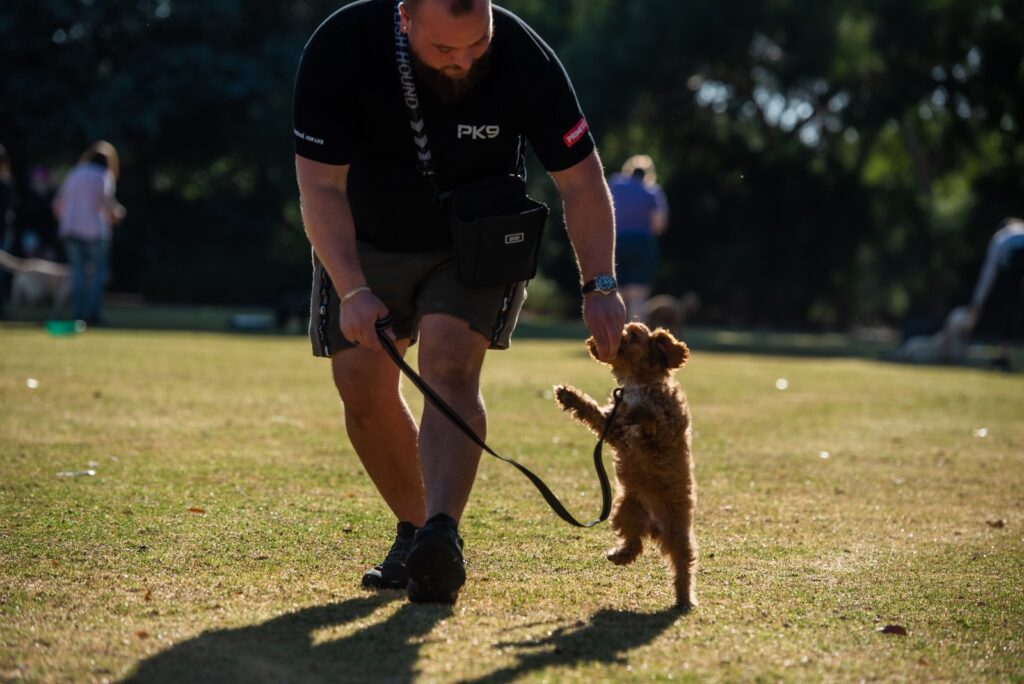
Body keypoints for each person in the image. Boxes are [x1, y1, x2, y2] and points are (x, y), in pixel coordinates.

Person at [293, 0, 625, 604]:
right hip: (365, 237)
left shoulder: (523, 56)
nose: (463, 61)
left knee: (448, 362)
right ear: (405, 19)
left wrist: (600, 285)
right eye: (445, 50)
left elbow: (581, 181)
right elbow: (318, 184)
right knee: (362, 381)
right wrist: (353, 288)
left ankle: (442, 534)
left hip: (475, 240)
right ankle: (417, 530)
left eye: (477, 45)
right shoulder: (341, 46)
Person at [53, 141, 126, 324]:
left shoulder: (75, 173)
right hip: (94, 231)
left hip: (70, 230)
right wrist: (119, 214)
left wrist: (68, 220)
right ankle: (92, 315)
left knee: (77, 273)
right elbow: (107, 204)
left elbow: (57, 204)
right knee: (98, 274)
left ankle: (77, 315)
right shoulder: (103, 175)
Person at [608, 154, 668, 323]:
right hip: (642, 243)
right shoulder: (653, 192)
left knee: (615, 292)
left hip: (616, 242)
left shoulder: (615, 184)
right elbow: (658, 224)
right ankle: (636, 339)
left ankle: (613, 337)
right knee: (637, 296)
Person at [965, 217, 1024, 370]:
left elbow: (988, 272)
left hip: (1017, 258)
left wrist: (977, 302)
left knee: (1010, 307)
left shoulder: (1001, 237)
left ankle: (1004, 355)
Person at [19, 165, 61, 261]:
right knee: (31, 258)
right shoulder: (29, 197)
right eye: (37, 180)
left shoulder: (51, 196)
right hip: (32, 234)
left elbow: (54, 219)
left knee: (49, 259)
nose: (39, 183)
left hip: (47, 236)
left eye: (42, 180)